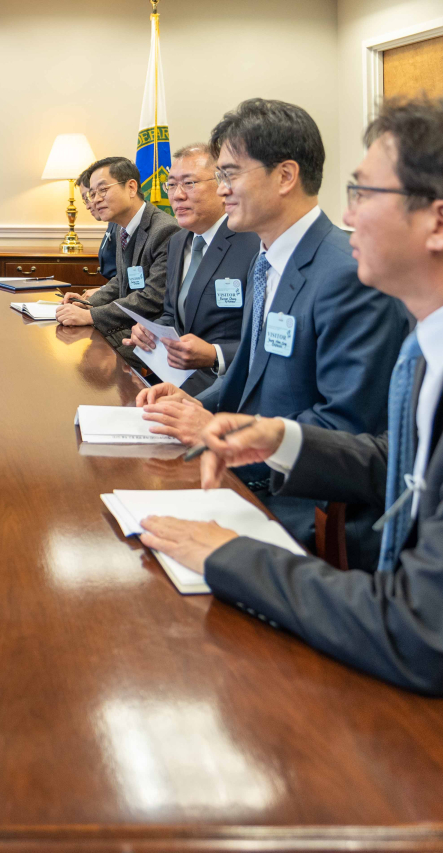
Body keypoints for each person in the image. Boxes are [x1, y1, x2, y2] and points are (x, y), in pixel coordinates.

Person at [140, 95, 443, 731]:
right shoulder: (434, 341)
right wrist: (277, 439)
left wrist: (227, 555)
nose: (347, 213)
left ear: (441, 223)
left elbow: (425, 627)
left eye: (364, 192)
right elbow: (395, 458)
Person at [136, 99, 407, 552]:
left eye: (230, 174)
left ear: (285, 176)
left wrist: (222, 433)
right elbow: (248, 372)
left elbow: (346, 426)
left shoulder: (345, 274)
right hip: (245, 478)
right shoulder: (265, 260)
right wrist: (190, 402)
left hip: (299, 507)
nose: (220, 190)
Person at [122, 144, 258, 394]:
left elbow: (261, 340)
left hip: (229, 386)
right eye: (171, 185)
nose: (177, 195)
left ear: (222, 184)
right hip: (176, 379)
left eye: (189, 183)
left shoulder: (252, 243)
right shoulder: (178, 241)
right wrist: (149, 331)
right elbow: (172, 315)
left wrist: (215, 354)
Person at [56, 156, 178, 341]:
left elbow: (152, 298)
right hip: (127, 325)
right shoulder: (122, 227)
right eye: (93, 193)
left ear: (131, 187)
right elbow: (122, 280)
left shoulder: (165, 231)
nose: (96, 200)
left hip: (150, 335)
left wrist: (90, 316)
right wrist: (87, 304)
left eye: (103, 190)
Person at [77, 164, 118, 280]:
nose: (90, 204)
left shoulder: (121, 223)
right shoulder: (113, 222)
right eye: (87, 199)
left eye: (90, 196)